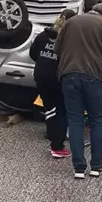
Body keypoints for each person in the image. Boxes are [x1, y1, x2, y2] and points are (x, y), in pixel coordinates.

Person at [55, 3, 102, 179]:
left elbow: (56, 48)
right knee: (97, 121)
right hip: (95, 77)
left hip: (68, 75)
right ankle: (96, 166)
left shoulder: (71, 22)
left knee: (74, 121)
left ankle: (79, 168)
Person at [30, 9, 76, 158]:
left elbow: (33, 54)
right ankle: (57, 146)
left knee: (49, 108)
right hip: (58, 78)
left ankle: (52, 138)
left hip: (41, 77)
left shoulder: (42, 36)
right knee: (62, 111)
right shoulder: (68, 39)